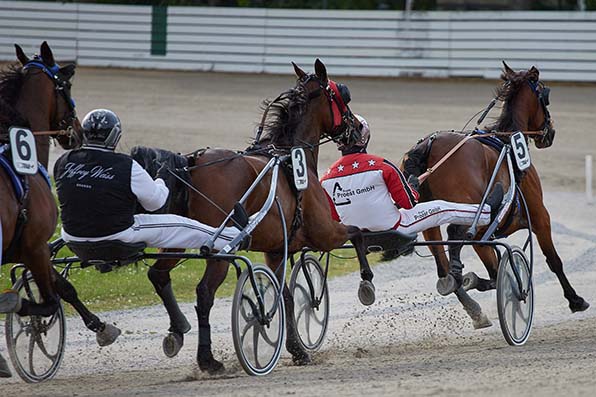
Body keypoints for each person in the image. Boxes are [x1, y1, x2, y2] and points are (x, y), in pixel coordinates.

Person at [54, 109, 246, 251]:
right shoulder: (126, 165)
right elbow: (156, 203)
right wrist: (161, 177)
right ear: (115, 136)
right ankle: (232, 236)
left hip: (71, 235)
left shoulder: (63, 161)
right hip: (117, 234)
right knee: (182, 225)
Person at [320, 114, 503, 239]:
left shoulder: (325, 179)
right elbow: (408, 203)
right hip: (394, 228)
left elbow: (334, 216)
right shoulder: (382, 165)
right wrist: (413, 186)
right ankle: (486, 212)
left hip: (353, 234)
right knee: (440, 208)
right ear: (365, 136)